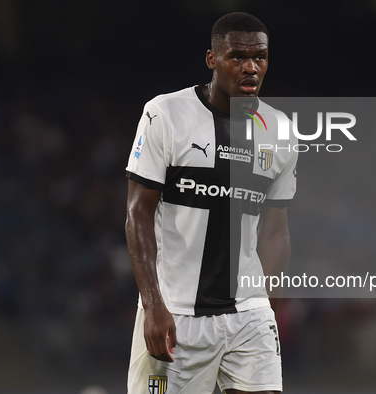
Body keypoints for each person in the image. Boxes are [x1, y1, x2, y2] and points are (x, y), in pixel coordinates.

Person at [124, 12, 297, 394]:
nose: (251, 67)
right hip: (177, 312)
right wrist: (153, 304)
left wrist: (270, 308)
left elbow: (274, 230)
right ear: (212, 59)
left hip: (248, 312)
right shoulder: (165, 114)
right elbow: (138, 211)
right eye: (237, 56)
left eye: (260, 57)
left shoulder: (280, 130)